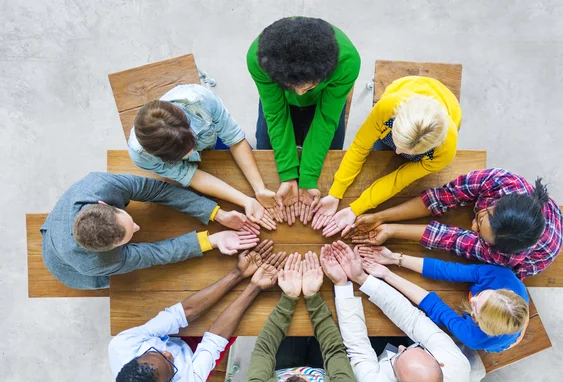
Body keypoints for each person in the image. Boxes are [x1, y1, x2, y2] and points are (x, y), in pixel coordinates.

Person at [109, 242, 286, 382]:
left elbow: (183, 313)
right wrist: (254, 287)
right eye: (171, 366)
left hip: (169, 336)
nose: (169, 354)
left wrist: (238, 273)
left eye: (156, 352)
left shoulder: (122, 345)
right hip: (192, 360)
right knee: (245, 317)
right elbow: (213, 341)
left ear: (133, 359)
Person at [323, 241, 485, 382]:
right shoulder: (455, 363)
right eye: (412, 350)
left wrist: (342, 285)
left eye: (399, 356)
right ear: (440, 363)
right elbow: (413, 319)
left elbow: (358, 348)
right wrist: (362, 279)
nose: (400, 347)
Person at [41, 173, 259, 290]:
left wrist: (216, 213)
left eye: (130, 223)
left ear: (104, 203)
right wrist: (211, 240)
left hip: (63, 218)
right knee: (129, 281)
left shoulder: (99, 184)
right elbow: (155, 254)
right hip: (68, 269)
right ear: (111, 250)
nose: (138, 227)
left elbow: (157, 190)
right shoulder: (97, 263)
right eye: (130, 236)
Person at [350, 168, 563, 279]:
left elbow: (452, 239)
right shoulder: (502, 180)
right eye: (480, 219)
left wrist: (392, 230)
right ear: (496, 202)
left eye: (480, 235)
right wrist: (382, 217)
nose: (472, 228)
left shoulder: (508, 256)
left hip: (539, 254)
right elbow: (443, 197)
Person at [314, 76, 461, 235]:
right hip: (406, 88)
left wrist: (356, 208)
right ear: (395, 120)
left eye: (407, 151)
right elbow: (359, 147)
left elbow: (398, 180)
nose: (397, 152)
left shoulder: (445, 151)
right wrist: (336, 192)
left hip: (449, 108)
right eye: (396, 143)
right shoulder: (388, 107)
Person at [248, 17, 361, 225]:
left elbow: (326, 119)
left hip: (323, 104)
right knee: (266, 152)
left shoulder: (348, 61)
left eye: (308, 87)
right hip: (279, 101)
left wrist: (308, 177)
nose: (300, 94)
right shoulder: (258, 59)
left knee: (330, 158)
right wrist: (288, 174)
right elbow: (275, 113)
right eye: (294, 86)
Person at [239, 252, 362, 382]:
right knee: (323, 339)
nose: (300, 374)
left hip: (282, 365)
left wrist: (289, 297)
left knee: (291, 331)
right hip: (325, 370)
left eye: (291, 380)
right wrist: (313, 296)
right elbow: (333, 350)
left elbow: (264, 349)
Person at [128, 84, 280, 227]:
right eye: (182, 154)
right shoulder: (141, 156)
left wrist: (259, 189)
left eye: (191, 144)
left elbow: (235, 140)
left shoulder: (202, 101)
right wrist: (246, 201)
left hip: (211, 141)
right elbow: (191, 175)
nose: (191, 153)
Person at [359, 246, 530, 352]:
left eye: (475, 311)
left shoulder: (475, 338)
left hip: (501, 340)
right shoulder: (502, 275)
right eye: (481, 295)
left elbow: (436, 308)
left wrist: (387, 275)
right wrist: (395, 258)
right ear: (502, 291)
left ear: (479, 323)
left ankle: (515, 336)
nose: (472, 301)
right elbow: (449, 270)